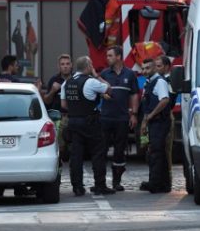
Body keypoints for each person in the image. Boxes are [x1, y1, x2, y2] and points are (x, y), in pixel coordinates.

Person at [61, 56, 115, 196]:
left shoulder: (67, 83)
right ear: (88, 66)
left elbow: (64, 105)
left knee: (76, 156)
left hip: (73, 122)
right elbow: (109, 89)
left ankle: (77, 187)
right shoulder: (91, 81)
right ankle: (100, 185)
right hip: (90, 122)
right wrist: (97, 76)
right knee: (98, 153)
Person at [100, 46, 139, 191]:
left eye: (110, 55)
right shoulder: (104, 73)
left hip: (122, 119)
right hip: (105, 118)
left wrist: (134, 114)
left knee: (119, 151)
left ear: (118, 57)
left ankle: (116, 181)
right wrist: (103, 94)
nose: (107, 58)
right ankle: (101, 182)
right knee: (102, 150)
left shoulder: (130, 74)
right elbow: (97, 92)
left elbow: (134, 94)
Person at [139, 58, 171, 193]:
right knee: (156, 153)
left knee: (156, 153)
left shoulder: (160, 82)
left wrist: (151, 115)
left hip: (159, 122)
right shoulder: (149, 83)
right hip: (152, 122)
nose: (145, 71)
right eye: (143, 68)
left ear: (154, 68)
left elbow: (164, 100)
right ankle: (161, 183)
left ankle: (156, 183)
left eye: (147, 68)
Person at [44, 54, 73, 162]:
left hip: (73, 117)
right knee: (60, 148)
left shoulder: (76, 79)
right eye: (62, 64)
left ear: (71, 65)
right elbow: (46, 101)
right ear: (58, 66)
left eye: (67, 64)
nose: (65, 66)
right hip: (58, 118)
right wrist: (53, 90)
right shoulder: (54, 80)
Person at [154, 56, 177, 190]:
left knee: (166, 149)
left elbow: (170, 101)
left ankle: (167, 181)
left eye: (159, 66)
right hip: (157, 116)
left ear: (167, 67)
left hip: (165, 115)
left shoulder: (168, 81)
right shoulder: (159, 80)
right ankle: (159, 178)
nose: (157, 69)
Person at [25, 11, 38, 76]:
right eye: (26, 18)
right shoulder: (27, 28)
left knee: (31, 68)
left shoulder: (31, 28)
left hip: (31, 53)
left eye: (27, 18)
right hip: (28, 53)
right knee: (28, 68)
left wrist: (30, 46)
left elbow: (34, 41)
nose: (26, 20)